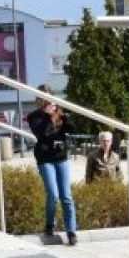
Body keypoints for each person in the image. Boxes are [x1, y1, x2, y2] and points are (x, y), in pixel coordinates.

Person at [26, 87, 77, 246]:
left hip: (61, 157)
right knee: (53, 194)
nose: (50, 102)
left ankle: (71, 232)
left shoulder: (59, 113)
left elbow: (72, 129)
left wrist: (65, 117)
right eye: (45, 98)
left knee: (66, 196)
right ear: (40, 100)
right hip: (45, 158)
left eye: (51, 98)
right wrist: (48, 116)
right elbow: (41, 133)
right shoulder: (34, 116)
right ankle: (50, 224)